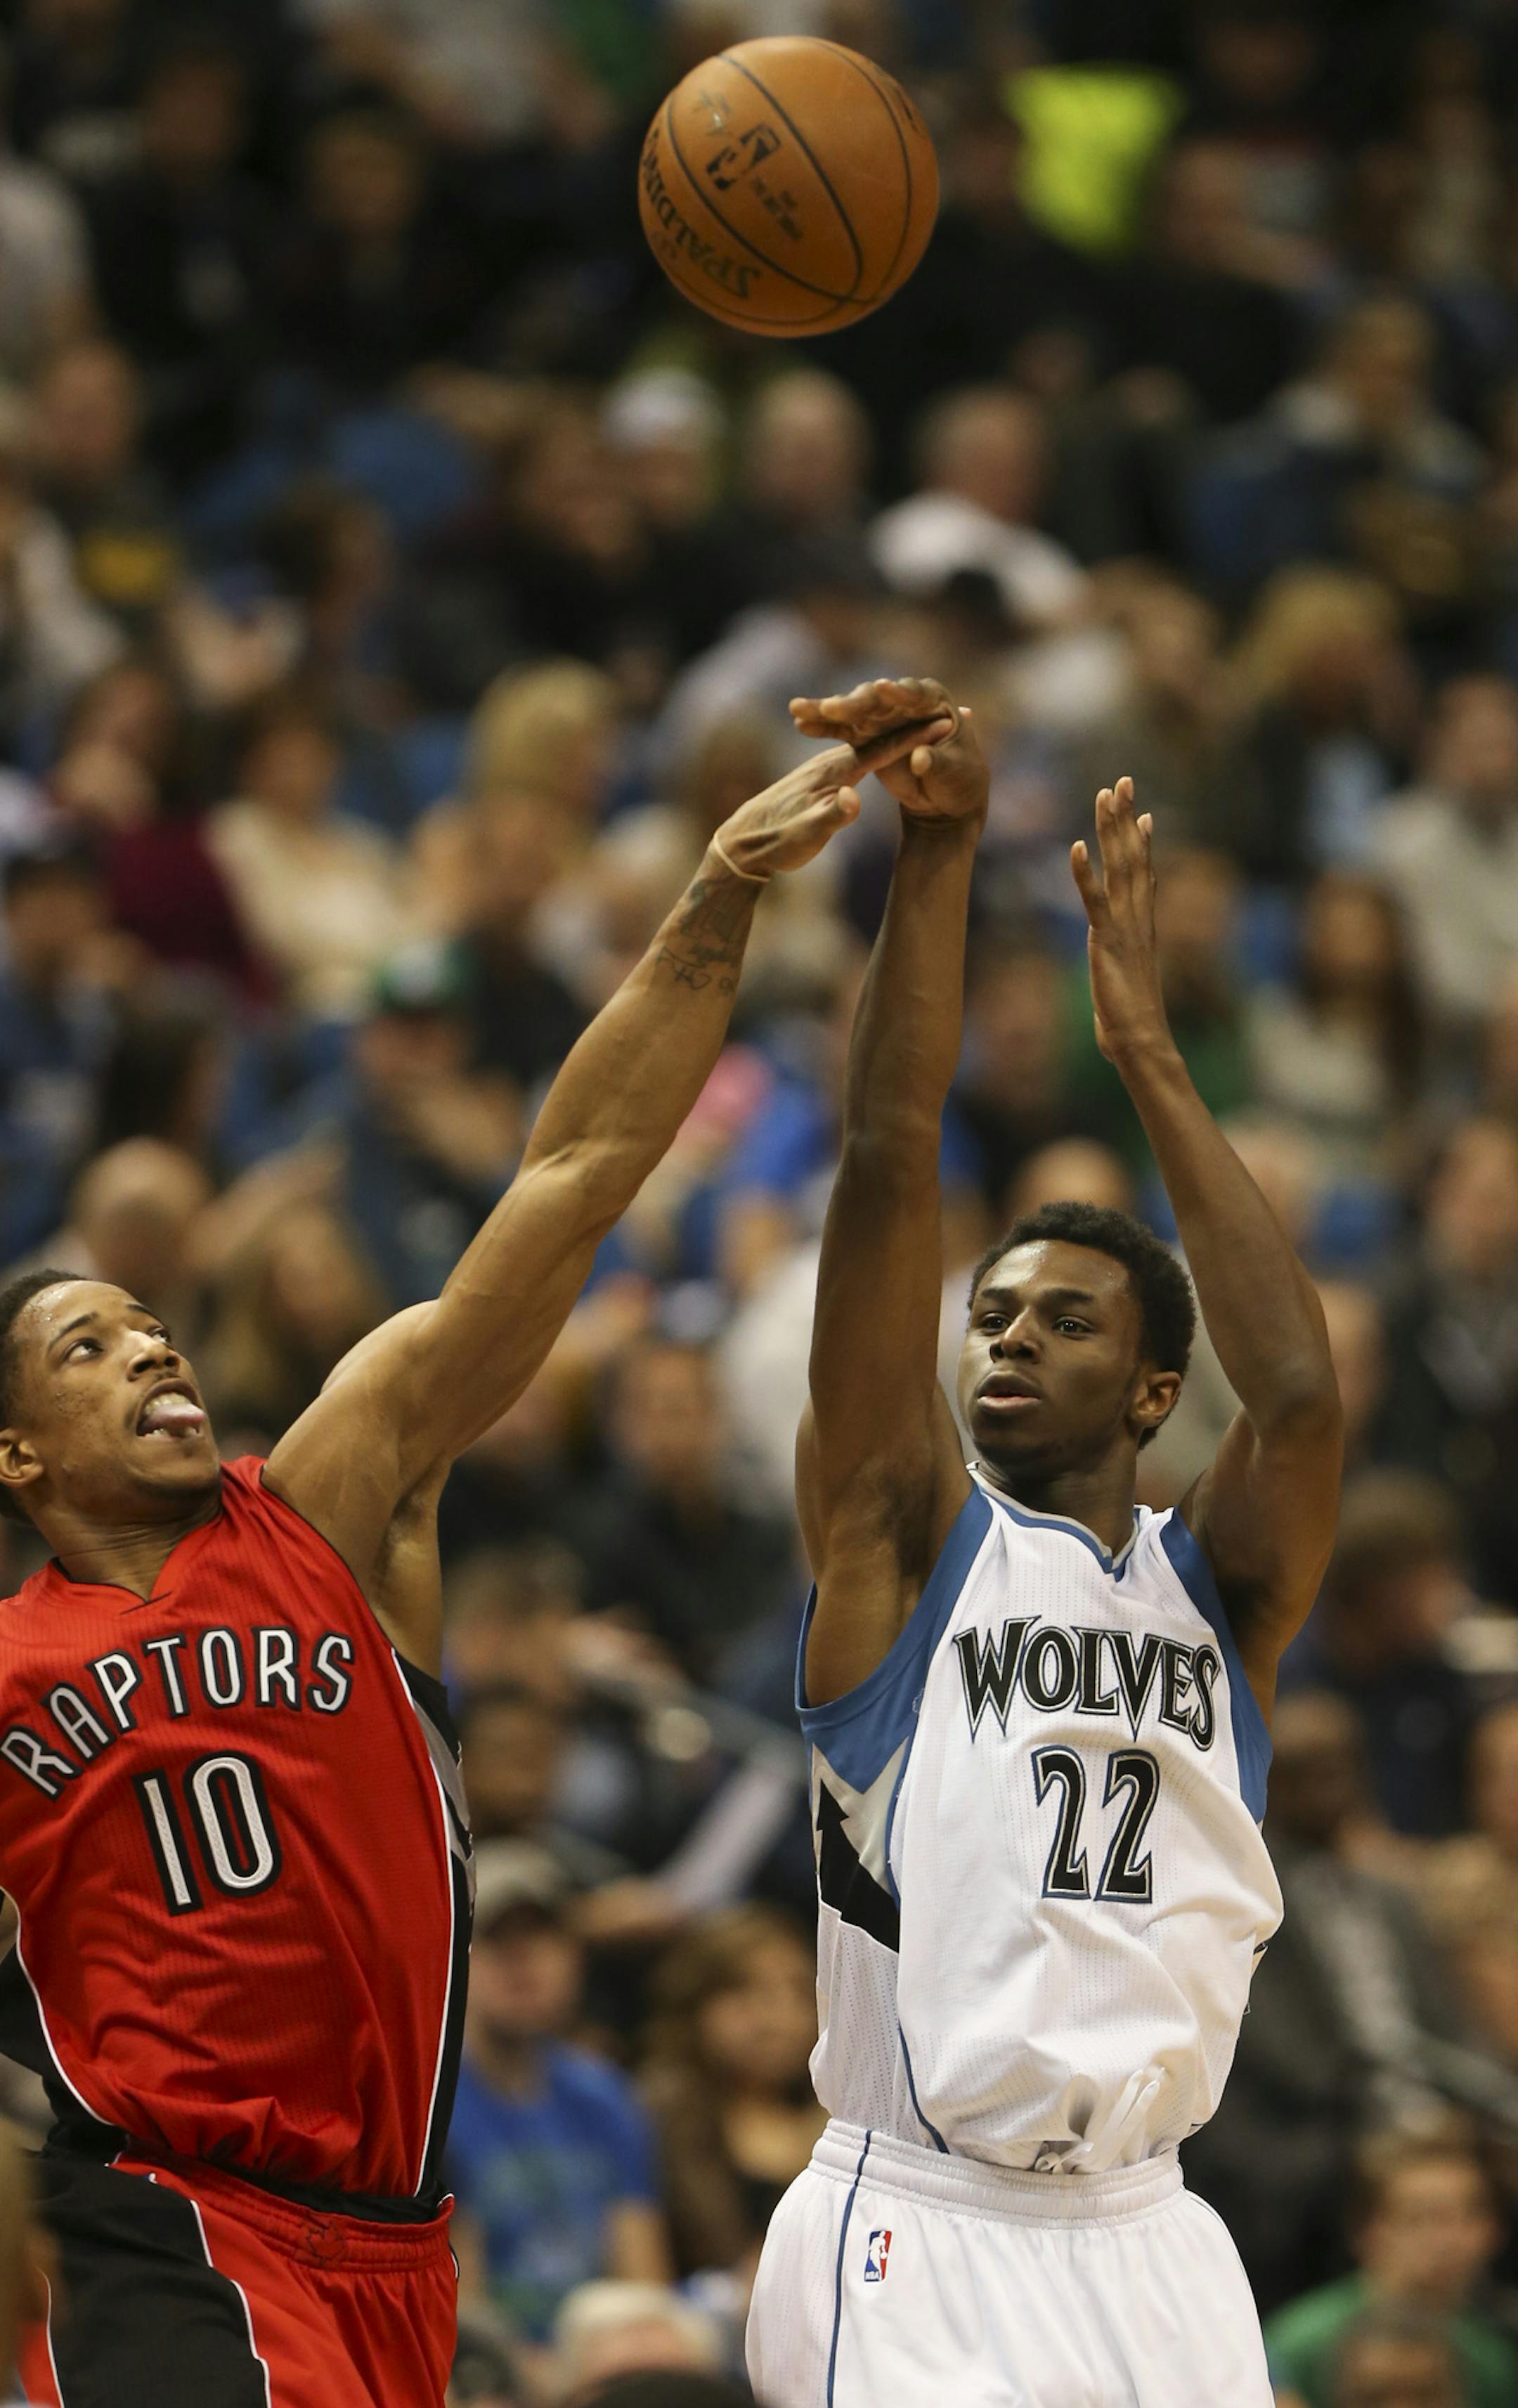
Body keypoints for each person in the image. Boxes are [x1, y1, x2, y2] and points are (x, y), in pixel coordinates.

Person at [0, 715, 914, 2405]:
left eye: (149, 1326)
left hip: (397, 2238)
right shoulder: (4, 1668)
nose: (148, 1351)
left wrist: (708, 895)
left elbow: (567, 1179)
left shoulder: (332, 1495)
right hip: (160, 2211)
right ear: (18, 1454)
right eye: (87, 1346)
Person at [745, 680, 1343, 2407]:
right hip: (917, 2226)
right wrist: (933, 854)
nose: (1003, 1333)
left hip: (1155, 2234)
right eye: (991, 1310)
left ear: (1156, 1386)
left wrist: (1142, 1045)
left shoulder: (1211, 1587)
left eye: (1062, 1318)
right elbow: (880, 1158)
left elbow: (1295, 1398)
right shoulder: (903, 1532)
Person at [446, 1844, 670, 2349]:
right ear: (459, 1953)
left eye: (543, 1937)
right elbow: (462, 2310)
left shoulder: (607, 2095)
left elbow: (644, 2285)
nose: (523, 1960)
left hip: (601, 2361)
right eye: (498, 1938)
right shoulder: (433, 2108)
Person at [1263, 2132, 1518, 2408]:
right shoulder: (1298, 2345)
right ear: (1366, 2230)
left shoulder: (1491, 2354)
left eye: (1469, 2216)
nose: (1449, 2240)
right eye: (1422, 2217)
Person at [641, 1905, 825, 2281]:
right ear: (695, 2002)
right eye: (743, 1990)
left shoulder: (841, 2116)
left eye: (795, 1992)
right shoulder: (660, 2110)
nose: (774, 2018)